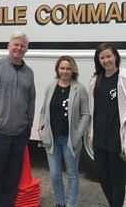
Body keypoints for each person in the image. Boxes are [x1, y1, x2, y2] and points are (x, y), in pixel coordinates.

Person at [0, 31, 36, 207]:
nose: (19, 48)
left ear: (26, 49)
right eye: (15, 44)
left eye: (22, 46)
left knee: (11, 179)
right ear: (8, 46)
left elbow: (31, 99)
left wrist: (29, 126)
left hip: (19, 134)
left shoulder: (29, 72)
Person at [88, 43, 126, 207]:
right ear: (98, 60)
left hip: (117, 137)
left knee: (117, 179)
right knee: (101, 175)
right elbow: (93, 110)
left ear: (116, 57)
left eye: (108, 56)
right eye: (102, 57)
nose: (106, 60)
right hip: (99, 137)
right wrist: (92, 133)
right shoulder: (95, 79)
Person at [38, 56, 91, 207]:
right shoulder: (51, 87)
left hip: (69, 140)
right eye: (62, 68)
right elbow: (43, 110)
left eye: (68, 68)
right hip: (52, 138)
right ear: (57, 69)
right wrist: (41, 126)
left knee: (72, 174)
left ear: (73, 70)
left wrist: (78, 134)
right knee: (55, 175)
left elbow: (86, 115)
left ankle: (70, 204)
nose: (65, 71)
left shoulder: (79, 88)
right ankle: (59, 203)